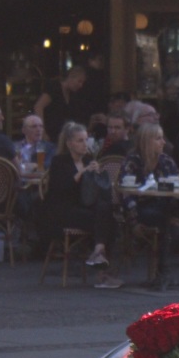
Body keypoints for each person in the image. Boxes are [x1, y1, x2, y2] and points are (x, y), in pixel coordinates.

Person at [123, 122, 179, 288]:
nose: (163, 142)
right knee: (168, 221)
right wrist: (133, 221)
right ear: (146, 141)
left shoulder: (167, 161)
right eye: (158, 139)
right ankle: (163, 272)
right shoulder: (133, 162)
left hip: (170, 206)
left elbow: (177, 186)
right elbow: (127, 194)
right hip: (145, 208)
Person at [44, 123, 122, 289]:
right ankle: (103, 274)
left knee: (110, 219)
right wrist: (81, 173)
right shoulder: (60, 162)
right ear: (69, 143)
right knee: (101, 220)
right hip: (63, 210)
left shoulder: (88, 160)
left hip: (84, 207)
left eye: (86, 140)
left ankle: (99, 254)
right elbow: (59, 189)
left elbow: (94, 192)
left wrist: (96, 173)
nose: (84, 144)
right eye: (80, 140)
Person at [33, 66, 90, 136]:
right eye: (79, 81)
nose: (81, 85)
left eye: (82, 83)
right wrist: (42, 131)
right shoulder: (54, 87)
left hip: (63, 136)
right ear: (71, 77)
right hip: (49, 133)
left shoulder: (73, 95)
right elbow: (38, 107)